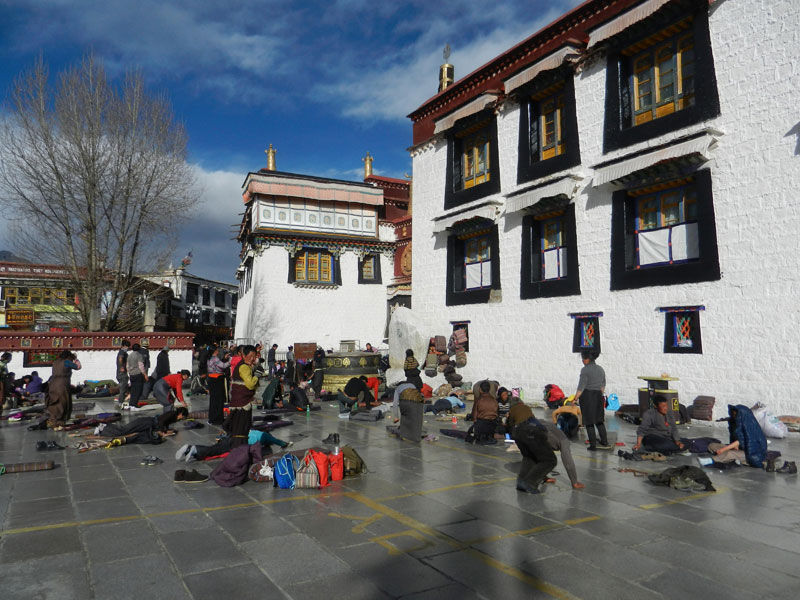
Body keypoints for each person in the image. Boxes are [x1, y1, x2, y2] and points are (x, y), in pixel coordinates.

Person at [573, 351, 609, 451]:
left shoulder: (585, 370)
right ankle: (604, 441)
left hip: (588, 396)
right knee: (599, 420)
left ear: (587, 359)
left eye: (583, 359)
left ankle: (593, 445)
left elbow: (581, 386)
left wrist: (575, 399)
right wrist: (599, 394)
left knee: (589, 421)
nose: (582, 361)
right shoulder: (601, 369)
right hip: (598, 396)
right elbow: (603, 385)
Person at [224, 344, 259, 447]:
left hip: (237, 403)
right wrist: (257, 375)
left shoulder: (243, 365)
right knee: (241, 430)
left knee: (238, 430)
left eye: (254, 356)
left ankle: (238, 448)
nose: (253, 359)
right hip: (242, 404)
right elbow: (251, 384)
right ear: (244, 355)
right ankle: (240, 450)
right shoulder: (244, 367)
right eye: (250, 356)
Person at [512, 418, 558, 494]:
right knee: (550, 460)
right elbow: (567, 459)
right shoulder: (563, 441)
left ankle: (521, 483)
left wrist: (544, 477)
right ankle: (530, 482)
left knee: (529, 457)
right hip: (532, 432)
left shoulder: (549, 427)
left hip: (517, 430)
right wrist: (574, 482)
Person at [97, 407, 188, 444]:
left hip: (148, 424)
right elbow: (161, 421)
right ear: (181, 414)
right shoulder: (172, 414)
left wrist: (168, 430)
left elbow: (164, 424)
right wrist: (164, 432)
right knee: (124, 430)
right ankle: (103, 428)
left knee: (125, 431)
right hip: (146, 423)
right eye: (182, 417)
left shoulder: (173, 416)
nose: (181, 418)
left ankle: (104, 428)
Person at [46, 350, 81, 430]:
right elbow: (78, 367)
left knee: (54, 401)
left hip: (52, 384)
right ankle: (60, 421)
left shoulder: (55, 362)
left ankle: (52, 419)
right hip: (62, 384)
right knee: (63, 402)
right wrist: (76, 360)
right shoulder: (66, 362)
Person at [206, 346, 231, 425]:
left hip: (211, 379)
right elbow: (223, 366)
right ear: (215, 351)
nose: (218, 351)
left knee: (213, 400)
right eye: (217, 350)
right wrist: (230, 361)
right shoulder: (215, 359)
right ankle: (218, 419)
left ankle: (212, 418)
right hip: (217, 379)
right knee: (219, 400)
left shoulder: (209, 359)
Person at [126, 343, 149, 408]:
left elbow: (127, 365)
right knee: (138, 390)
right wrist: (145, 374)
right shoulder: (139, 355)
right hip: (138, 374)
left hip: (131, 374)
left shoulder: (129, 355)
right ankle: (134, 404)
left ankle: (131, 403)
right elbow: (141, 366)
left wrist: (129, 372)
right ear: (139, 348)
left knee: (133, 389)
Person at [115, 340, 130, 405]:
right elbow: (120, 358)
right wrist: (122, 367)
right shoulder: (122, 352)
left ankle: (127, 398)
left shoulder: (121, 352)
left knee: (125, 387)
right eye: (128, 346)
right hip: (122, 373)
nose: (128, 348)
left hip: (120, 373)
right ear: (124, 346)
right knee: (123, 389)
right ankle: (120, 402)